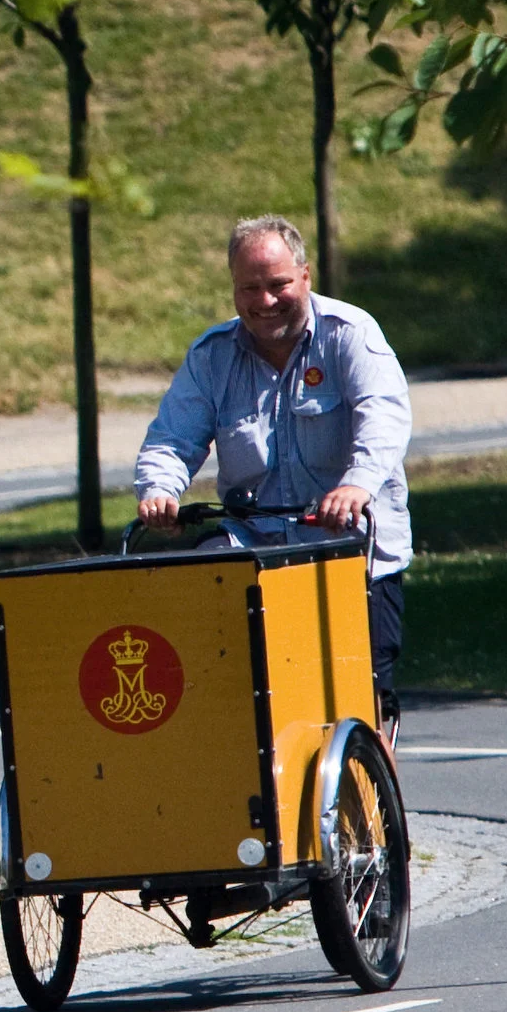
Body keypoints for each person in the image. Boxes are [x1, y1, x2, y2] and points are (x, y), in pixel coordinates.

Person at [135, 215, 412, 725]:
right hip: (254, 553)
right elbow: (173, 438)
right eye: (250, 288)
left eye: (279, 284)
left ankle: (372, 774)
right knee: (225, 690)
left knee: (361, 706)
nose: (265, 301)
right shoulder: (212, 356)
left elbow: (384, 417)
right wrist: (159, 490)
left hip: (349, 555)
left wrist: (356, 485)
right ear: (233, 288)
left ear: (305, 276)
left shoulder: (350, 335)